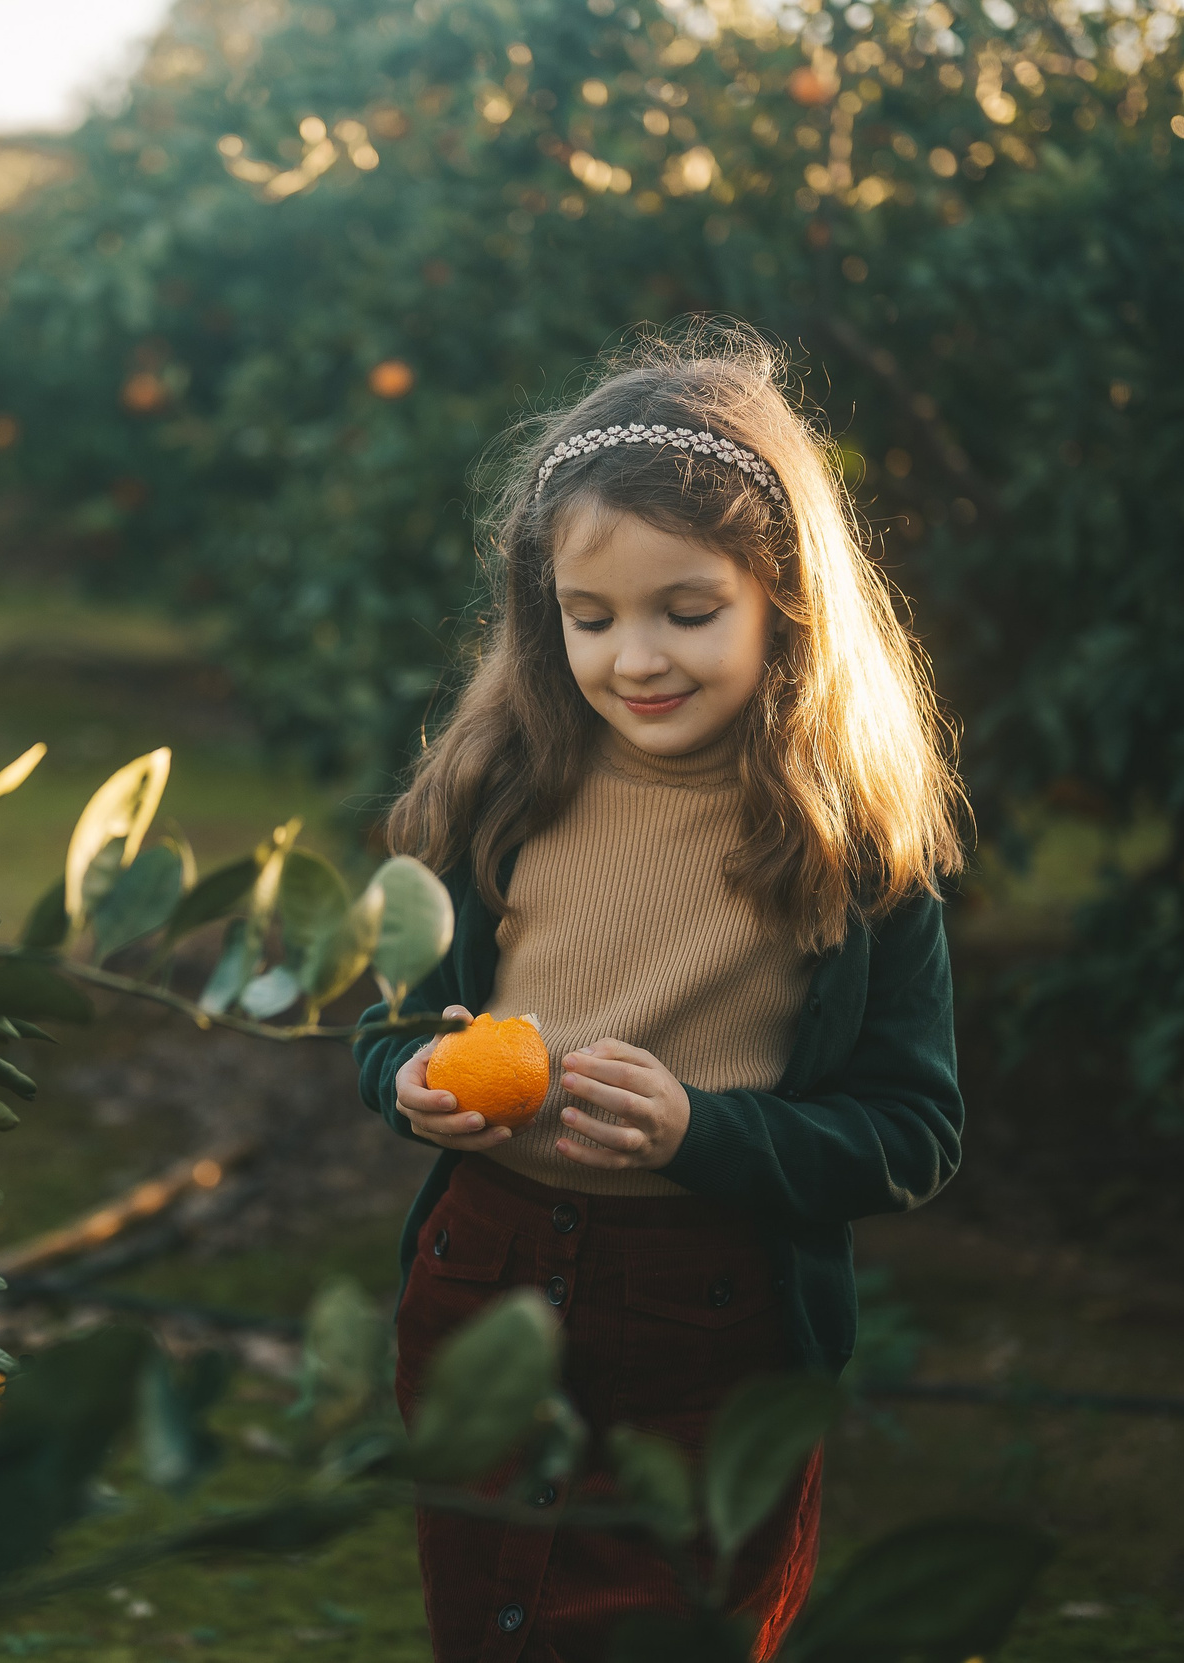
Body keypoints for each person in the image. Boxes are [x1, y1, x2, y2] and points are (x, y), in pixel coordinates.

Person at [352, 322, 969, 1663]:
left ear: (785, 604)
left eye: (687, 614)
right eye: (591, 619)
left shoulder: (851, 847)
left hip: (713, 1314)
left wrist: (704, 1132)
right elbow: (384, 1022)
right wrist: (410, 1081)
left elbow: (912, 1132)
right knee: (492, 1626)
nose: (635, 658)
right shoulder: (500, 794)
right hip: (484, 1274)